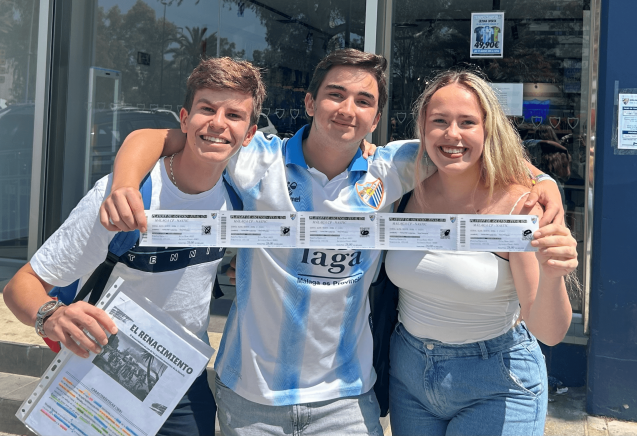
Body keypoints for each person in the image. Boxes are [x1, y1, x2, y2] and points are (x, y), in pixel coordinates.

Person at [99, 49, 565, 435]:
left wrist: (544, 180)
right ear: (309, 102)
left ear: (376, 117)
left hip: (345, 400)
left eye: (364, 100)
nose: (347, 109)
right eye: (335, 95)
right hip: (250, 396)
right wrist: (123, 183)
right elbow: (157, 136)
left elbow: (476, 150)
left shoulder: (393, 166)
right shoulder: (257, 160)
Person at [2, 57, 266, 436]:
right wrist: (52, 316)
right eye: (207, 109)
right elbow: (21, 286)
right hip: (99, 372)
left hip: (181, 379)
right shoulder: (127, 195)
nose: (218, 123)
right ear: (184, 118)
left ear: (250, 132)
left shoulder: (237, 198)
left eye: (234, 115)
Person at [385, 70, 576, 435]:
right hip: (408, 374)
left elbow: (549, 332)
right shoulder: (403, 186)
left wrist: (553, 276)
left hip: (496, 379)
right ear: (423, 128)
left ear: (488, 130)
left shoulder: (519, 205)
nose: (452, 134)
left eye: (467, 122)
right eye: (439, 121)